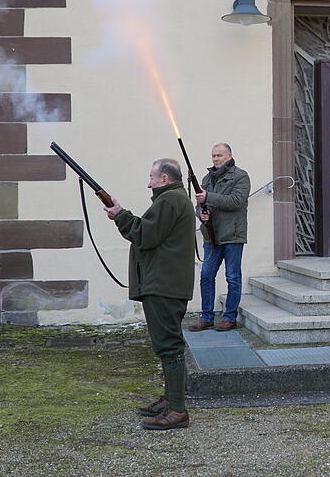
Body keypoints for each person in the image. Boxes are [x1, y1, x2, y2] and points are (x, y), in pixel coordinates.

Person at [104, 158, 195, 429]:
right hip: (166, 283)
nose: (148, 183)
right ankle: (170, 400)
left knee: (169, 346)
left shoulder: (169, 201)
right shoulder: (173, 199)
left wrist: (120, 214)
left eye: (152, 178)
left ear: (165, 179)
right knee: (167, 344)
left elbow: (145, 235)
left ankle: (177, 410)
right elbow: (151, 232)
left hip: (163, 285)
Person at [188, 143, 250, 333]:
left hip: (232, 234)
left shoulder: (241, 176)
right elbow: (199, 203)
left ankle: (229, 318)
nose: (215, 159)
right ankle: (206, 317)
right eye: (213, 156)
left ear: (230, 156)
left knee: (232, 277)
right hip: (211, 236)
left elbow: (236, 201)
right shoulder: (207, 178)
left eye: (219, 155)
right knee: (206, 276)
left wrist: (208, 198)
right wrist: (201, 214)